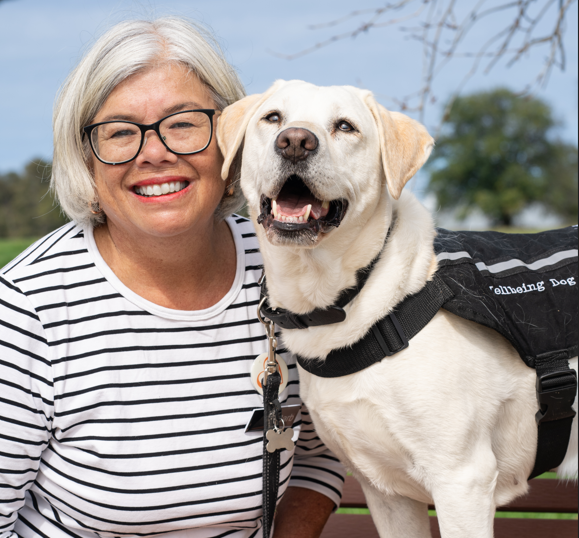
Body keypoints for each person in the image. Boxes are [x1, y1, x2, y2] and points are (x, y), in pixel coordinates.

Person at [0, 17, 344, 538]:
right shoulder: (28, 312)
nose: (154, 152)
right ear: (86, 161)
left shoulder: (292, 266)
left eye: (183, 123)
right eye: (119, 132)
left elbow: (322, 452)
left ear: (232, 139)